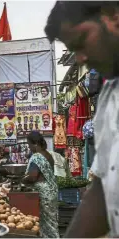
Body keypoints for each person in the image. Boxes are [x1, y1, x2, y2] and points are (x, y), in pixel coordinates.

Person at [45, 1, 119, 237]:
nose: (80, 58)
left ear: (112, 14)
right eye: (72, 49)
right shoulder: (110, 94)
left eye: (82, 40)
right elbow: (102, 190)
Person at [22, 131, 59, 238]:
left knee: (46, 224)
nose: (29, 148)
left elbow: (33, 176)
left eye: (29, 145)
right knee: (52, 223)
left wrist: (22, 180)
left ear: (35, 144)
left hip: (43, 193)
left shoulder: (37, 156)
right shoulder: (48, 155)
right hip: (51, 191)